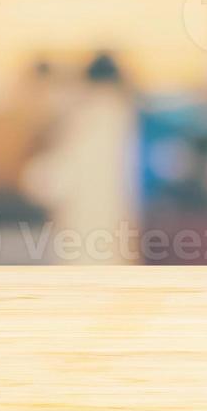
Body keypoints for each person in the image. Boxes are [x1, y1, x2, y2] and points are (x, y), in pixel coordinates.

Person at [22, 52, 140, 264]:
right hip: (116, 232)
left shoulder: (84, 119)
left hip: (82, 235)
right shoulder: (129, 116)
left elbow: (50, 182)